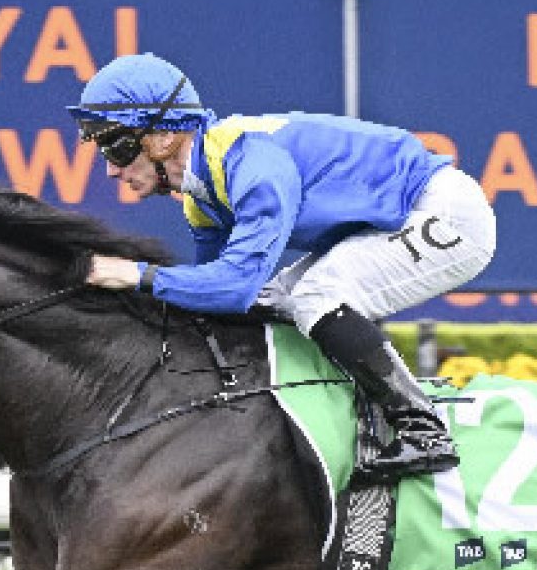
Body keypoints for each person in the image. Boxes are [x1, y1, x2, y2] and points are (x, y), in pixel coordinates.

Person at [69, 52, 496, 481]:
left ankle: (423, 430)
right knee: (273, 298)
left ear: (162, 138)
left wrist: (134, 275)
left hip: (445, 212)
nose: (110, 169)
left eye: (116, 146)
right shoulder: (203, 200)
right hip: (392, 218)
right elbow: (216, 299)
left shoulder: (251, 164)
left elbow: (233, 286)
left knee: (315, 296)